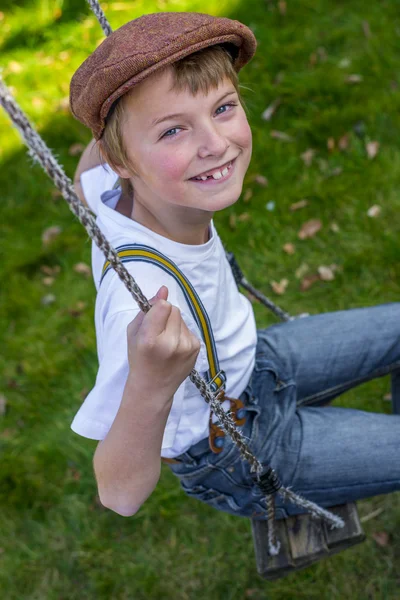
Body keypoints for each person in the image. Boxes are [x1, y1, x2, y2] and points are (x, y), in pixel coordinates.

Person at [69, 12, 400, 522]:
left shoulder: (108, 192)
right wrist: (151, 383)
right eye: (174, 130)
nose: (214, 144)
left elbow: (82, 178)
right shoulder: (141, 305)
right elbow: (119, 494)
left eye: (223, 108)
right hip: (236, 445)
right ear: (123, 160)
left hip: (255, 362)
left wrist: (134, 70)